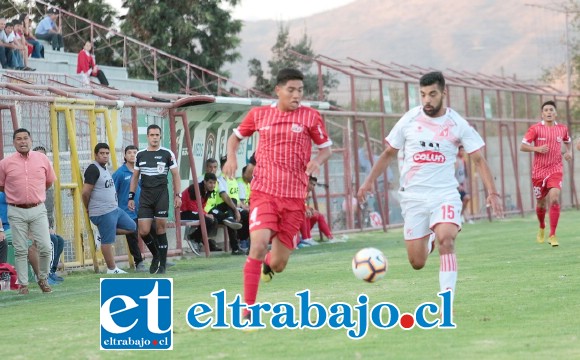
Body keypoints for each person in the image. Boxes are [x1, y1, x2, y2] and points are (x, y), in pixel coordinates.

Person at [357, 71, 503, 309]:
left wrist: (492, 192)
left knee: (447, 240)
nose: (427, 99)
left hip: (444, 194)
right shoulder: (410, 119)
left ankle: (447, 301)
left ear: (443, 93)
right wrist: (368, 181)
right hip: (413, 198)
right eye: (423, 94)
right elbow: (388, 153)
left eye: (432, 94)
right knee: (417, 262)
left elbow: (478, 160)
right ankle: (430, 239)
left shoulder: (457, 124)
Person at [222, 68, 333, 321]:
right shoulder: (260, 115)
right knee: (258, 244)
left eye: (300, 91)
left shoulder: (310, 117)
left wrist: (317, 160)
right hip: (264, 193)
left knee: (278, 264)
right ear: (279, 90)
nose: (297, 95)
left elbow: (327, 149)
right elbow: (235, 137)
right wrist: (231, 156)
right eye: (291, 90)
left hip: (294, 199)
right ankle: (247, 309)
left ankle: (268, 266)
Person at [0, 128, 56, 295]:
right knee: (20, 249)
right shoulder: (5, 163)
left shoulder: (42, 159)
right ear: (14, 142)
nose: (22, 141)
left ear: (30, 141)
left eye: (25, 138)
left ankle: (43, 278)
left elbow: (49, 182)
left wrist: (34, 195)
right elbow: (1, 185)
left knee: (45, 246)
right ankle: (23, 284)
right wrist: (17, 196)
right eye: (19, 139)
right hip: (16, 210)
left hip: (38, 209)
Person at [128, 124, 181, 274]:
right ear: (148, 136)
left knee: (160, 228)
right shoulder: (140, 155)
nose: (155, 138)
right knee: (144, 231)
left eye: (157, 135)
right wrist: (131, 196)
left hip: (161, 195)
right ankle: (156, 254)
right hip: (145, 195)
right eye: (152, 135)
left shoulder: (167, 153)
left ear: (160, 136)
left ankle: (162, 266)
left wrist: (178, 195)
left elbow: (176, 175)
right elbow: (135, 177)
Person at [520, 100, 572, 247]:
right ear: (542, 114)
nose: (549, 112)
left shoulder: (562, 129)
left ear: (555, 113)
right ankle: (542, 226)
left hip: (556, 169)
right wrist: (536, 149)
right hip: (539, 171)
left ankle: (553, 234)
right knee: (541, 203)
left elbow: (568, 141)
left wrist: (569, 152)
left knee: (554, 198)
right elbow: (523, 146)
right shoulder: (535, 129)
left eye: (551, 110)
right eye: (546, 110)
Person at [82, 143, 136, 274]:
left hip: (114, 209)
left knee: (132, 227)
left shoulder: (104, 168)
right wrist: (87, 208)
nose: (105, 156)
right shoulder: (93, 169)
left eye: (107, 153)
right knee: (108, 240)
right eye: (102, 153)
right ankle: (112, 269)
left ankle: (103, 232)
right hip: (102, 211)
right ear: (96, 155)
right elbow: (85, 192)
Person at [112, 145, 150, 272]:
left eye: (135, 152)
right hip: (126, 211)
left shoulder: (142, 171)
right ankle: (139, 263)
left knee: (150, 231)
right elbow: (113, 191)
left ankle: (160, 257)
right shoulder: (120, 173)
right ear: (125, 156)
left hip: (143, 208)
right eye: (129, 152)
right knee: (132, 235)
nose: (133, 155)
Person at [32, 146, 64, 284]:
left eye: (43, 156)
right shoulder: (30, 179)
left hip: (46, 222)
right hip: (33, 223)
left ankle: (52, 271)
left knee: (59, 240)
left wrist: (50, 225)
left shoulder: (48, 180)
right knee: (52, 240)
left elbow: (49, 209)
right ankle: (44, 275)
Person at [180, 173, 218, 254]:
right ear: (205, 182)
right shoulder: (195, 188)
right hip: (183, 212)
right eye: (210, 183)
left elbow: (202, 206)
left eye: (214, 183)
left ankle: (194, 238)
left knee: (214, 220)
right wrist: (205, 214)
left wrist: (205, 213)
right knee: (208, 220)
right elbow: (192, 207)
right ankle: (193, 238)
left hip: (192, 212)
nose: (213, 185)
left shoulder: (208, 191)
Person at [300, 176, 334, 245]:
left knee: (318, 215)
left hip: (302, 211)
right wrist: (306, 209)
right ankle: (305, 238)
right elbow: (297, 204)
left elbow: (304, 204)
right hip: (294, 213)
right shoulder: (300, 190)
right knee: (305, 214)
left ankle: (330, 237)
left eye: (314, 185)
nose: (312, 186)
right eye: (311, 183)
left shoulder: (307, 192)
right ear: (306, 182)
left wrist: (309, 209)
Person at [455, 145, 473, 224]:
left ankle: (462, 216)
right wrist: (458, 185)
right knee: (465, 198)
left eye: (463, 150)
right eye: (461, 151)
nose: (462, 152)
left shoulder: (463, 161)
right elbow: (452, 174)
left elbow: (464, 174)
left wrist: (465, 184)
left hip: (462, 184)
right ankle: (461, 217)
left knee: (465, 199)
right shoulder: (455, 161)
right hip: (456, 186)